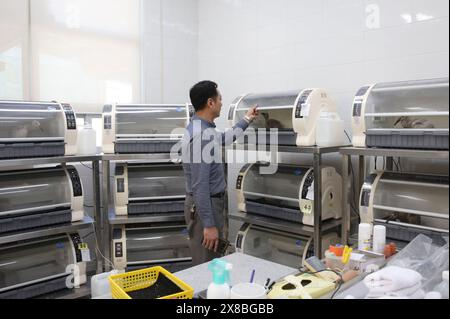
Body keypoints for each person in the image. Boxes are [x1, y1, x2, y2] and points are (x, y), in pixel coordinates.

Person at [182, 80, 258, 265]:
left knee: (211, 261)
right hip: (204, 209)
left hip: (207, 206)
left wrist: (247, 119)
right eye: (220, 99)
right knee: (206, 265)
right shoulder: (202, 136)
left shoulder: (203, 128)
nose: (222, 103)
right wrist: (208, 224)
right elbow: (200, 186)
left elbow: (224, 138)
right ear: (210, 102)